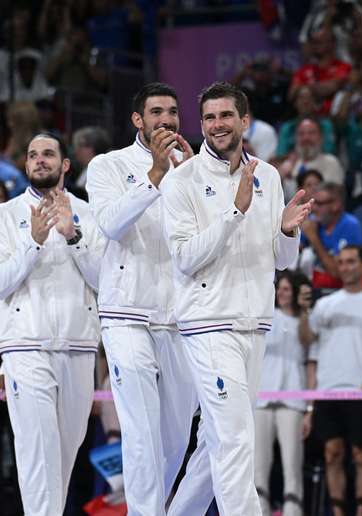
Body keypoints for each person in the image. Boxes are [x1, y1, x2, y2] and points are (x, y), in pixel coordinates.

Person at [161, 81, 311, 515]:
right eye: (209, 117)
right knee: (236, 438)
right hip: (208, 325)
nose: (217, 125)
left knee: (215, 446)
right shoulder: (181, 182)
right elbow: (185, 258)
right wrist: (235, 212)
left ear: (245, 121)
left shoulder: (267, 175)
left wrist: (286, 229)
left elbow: (283, 261)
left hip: (256, 323)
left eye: (226, 115)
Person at [85, 82, 212, 516]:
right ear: (138, 120)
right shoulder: (107, 165)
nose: (167, 120)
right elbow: (110, 225)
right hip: (125, 313)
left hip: (179, 315)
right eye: (156, 112)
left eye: (173, 112)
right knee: (139, 430)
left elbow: (208, 238)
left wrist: (195, 180)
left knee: (176, 436)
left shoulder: (194, 166)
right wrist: (155, 175)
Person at [0, 133, 106, 516]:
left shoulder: (89, 214)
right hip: (26, 347)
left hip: (79, 348)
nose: (40, 160)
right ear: (25, 166)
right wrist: (32, 243)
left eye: (48, 154)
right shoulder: (3, 216)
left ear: (65, 165)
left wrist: (73, 236)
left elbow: (105, 279)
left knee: (63, 459)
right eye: (33, 154)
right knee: (38, 456)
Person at [303, 245, 362, 516]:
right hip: (327, 392)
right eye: (341, 263)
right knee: (332, 453)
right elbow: (307, 342)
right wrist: (302, 313)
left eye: (350, 262)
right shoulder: (324, 305)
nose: (345, 267)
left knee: (361, 454)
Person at [254, 273, 314, 516]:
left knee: (292, 464)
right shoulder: (266, 315)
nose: (282, 293)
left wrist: (310, 409)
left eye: (288, 289)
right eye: (280, 288)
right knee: (259, 465)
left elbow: (309, 348)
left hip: (293, 398)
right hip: (262, 397)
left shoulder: (306, 320)